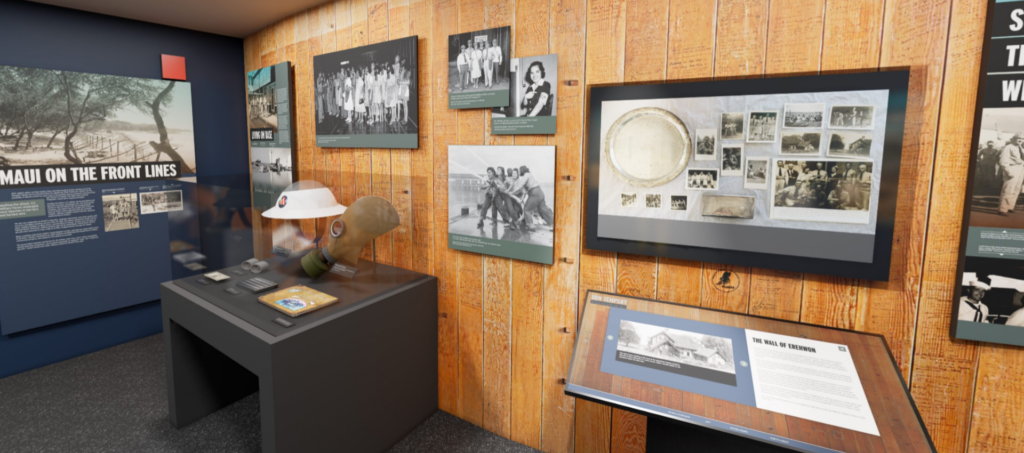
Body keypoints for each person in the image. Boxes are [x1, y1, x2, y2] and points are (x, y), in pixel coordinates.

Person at [510, 165, 554, 230]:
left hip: (534, 193)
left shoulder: (527, 174)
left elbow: (520, 186)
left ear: (522, 170)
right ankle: (553, 225)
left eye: (519, 171)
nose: (519, 173)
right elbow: (524, 192)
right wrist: (521, 199)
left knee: (527, 209)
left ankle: (531, 225)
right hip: (539, 192)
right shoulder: (528, 177)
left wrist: (512, 192)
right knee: (543, 210)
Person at [999, 134, 1024, 215]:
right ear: (1013, 139)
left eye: (1022, 139)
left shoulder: (1019, 147)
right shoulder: (1008, 147)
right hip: (1012, 168)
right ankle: (1002, 209)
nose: (1020, 140)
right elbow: (1003, 160)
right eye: (1018, 138)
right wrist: (1008, 171)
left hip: (1020, 169)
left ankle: (1010, 206)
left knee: (1016, 189)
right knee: (1008, 189)